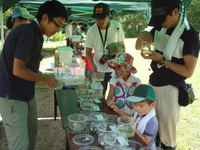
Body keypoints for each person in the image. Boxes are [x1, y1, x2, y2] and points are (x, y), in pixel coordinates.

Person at [0, 1, 68, 150]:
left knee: (30, 137)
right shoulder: (27, 32)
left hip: (26, 95)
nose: (58, 30)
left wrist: (43, 75)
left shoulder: (36, 34)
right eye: (58, 24)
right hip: (12, 97)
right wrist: (44, 79)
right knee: (20, 145)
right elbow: (18, 70)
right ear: (45, 17)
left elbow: (28, 67)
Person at [135, 0, 199, 149]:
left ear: (175, 12)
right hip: (154, 84)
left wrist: (163, 59)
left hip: (171, 88)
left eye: (163, 19)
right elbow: (139, 46)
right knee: (149, 125)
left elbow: (188, 71)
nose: (160, 23)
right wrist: (144, 34)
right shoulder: (159, 28)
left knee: (167, 133)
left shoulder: (189, 35)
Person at [85, 2, 125, 97]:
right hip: (99, 69)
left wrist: (122, 63)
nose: (100, 22)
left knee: (117, 95)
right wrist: (93, 65)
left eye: (103, 18)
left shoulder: (117, 26)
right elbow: (88, 52)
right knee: (99, 95)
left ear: (108, 16)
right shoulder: (91, 31)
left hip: (115, 68)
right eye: (97, 19)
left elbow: (122, 46)